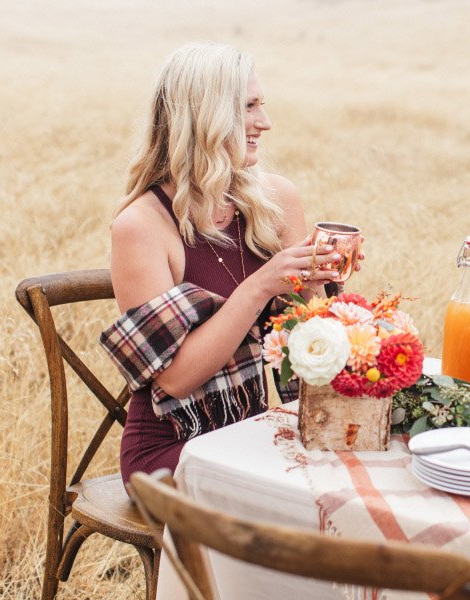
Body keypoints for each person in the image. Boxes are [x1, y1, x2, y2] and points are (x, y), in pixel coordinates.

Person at [100, 42, 351, 486]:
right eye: (249, 107)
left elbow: (304, 339)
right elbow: (176, 380)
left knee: (351, 466)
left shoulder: (276, 199)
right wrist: (261, 286)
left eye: (262, 105)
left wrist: (321, 281)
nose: (265, 122)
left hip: (246, 432)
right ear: (205, 117)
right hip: (174, 447)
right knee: (298, 493)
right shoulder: (142, 225)